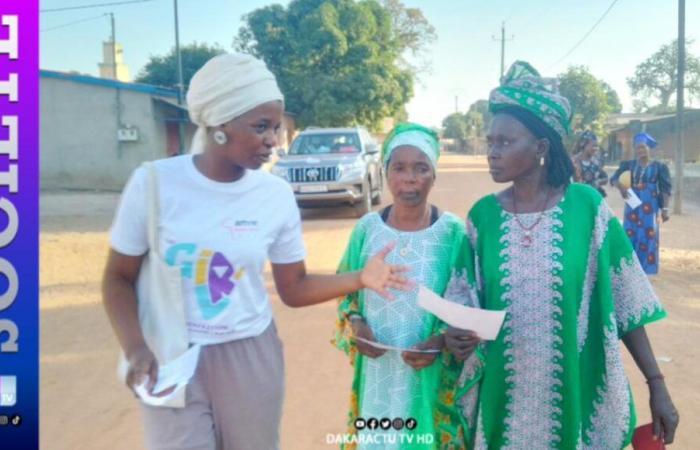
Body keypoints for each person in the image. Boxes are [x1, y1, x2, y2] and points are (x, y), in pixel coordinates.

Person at [101, 53, 409, 450]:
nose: (273, 140)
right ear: (219, 124)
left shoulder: (275, 195)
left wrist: (359, 279)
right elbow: (117, 278)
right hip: (171, 354)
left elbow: (294, 288)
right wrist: (135, 347)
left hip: (250, 356)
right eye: (261, 126)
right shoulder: (155, 184)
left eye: (276, 127)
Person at [444, 62, 679, 449]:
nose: (493, 153)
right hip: (503, 402)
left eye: (505, 142)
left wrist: (657, 385)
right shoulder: (481, 218)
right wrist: (455, 337)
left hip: (575, 396)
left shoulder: (587, 209)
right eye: (490, 142)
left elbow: (627, 303)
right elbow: (462, 304)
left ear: (540, 147)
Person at [333, 123, 472, 449]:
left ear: (434, 176)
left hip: (429, 372)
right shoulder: (367, 229)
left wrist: (440, 339)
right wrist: (357, 324)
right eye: (399, 168)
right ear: (385, 173)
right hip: (378, 369)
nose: (409, 178)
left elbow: (465, 300)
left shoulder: (452, 233)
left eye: (421, 168)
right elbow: (345, 289)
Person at [610, 132, 672, 275]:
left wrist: (665, 209)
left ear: (649, 148)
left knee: (649, 234)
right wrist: (622, 187)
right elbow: (614, 179)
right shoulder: (629, 165)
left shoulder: (659, 167)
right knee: (630, 233)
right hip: (632, 204)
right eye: (637, 148)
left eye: (643, 147)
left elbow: (665, 188)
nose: (640, 151)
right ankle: (630, 268)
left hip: (650, 206)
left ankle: (646, 269)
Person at [572, 130, 608, 196]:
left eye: (596, 146)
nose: (595, 148)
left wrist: (598, 182)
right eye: (593, 146)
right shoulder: (574, 161)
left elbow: (605, 178)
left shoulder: (596, 162)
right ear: (584, 145)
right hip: (578, 198)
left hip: (593, 199)